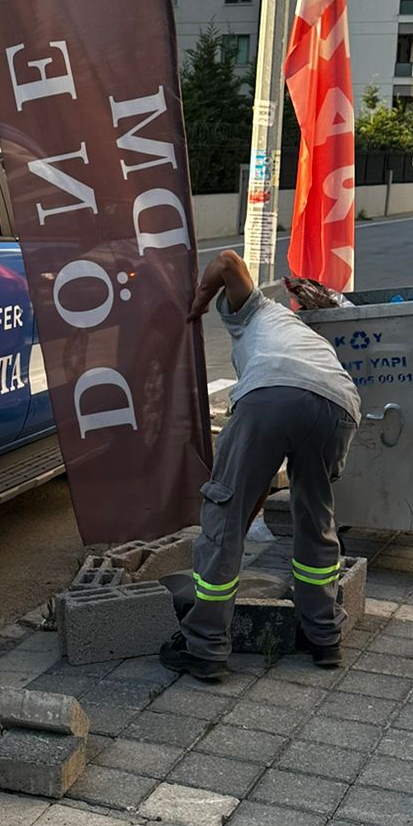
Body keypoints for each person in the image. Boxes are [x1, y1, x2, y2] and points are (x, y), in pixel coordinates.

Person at [161, 249, 360, 684]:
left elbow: (227, 262)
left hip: (273, 391)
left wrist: (197, 303)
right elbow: (263, 472)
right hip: (339, 405)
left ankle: (204, 646)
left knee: (222, 518)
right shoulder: (298, 335)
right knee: (315, 517)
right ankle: (323, 636)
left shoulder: (256, 309)